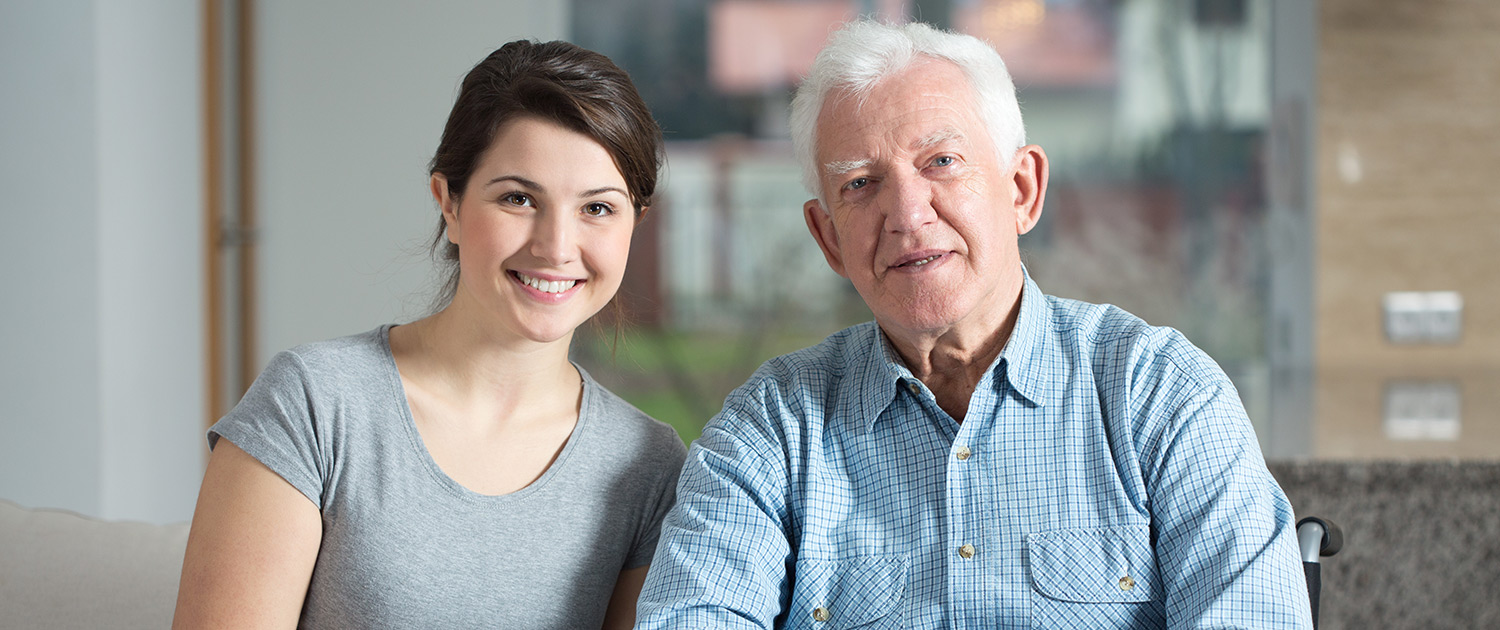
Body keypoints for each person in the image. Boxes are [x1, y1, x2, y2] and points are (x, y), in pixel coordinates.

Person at [636, 20, 1312, 629]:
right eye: (861, 183)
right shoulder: (769, 433)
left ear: (1022, 190)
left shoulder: (1162, 398)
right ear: (829, 239)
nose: (907, 213)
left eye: (941, 162)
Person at [172, 40, 686, 629]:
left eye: (597, 209)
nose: (556, 247)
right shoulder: (314, 406)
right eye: (518, 198)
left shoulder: (649, 467)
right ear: (449, 201)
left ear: (634, 224)